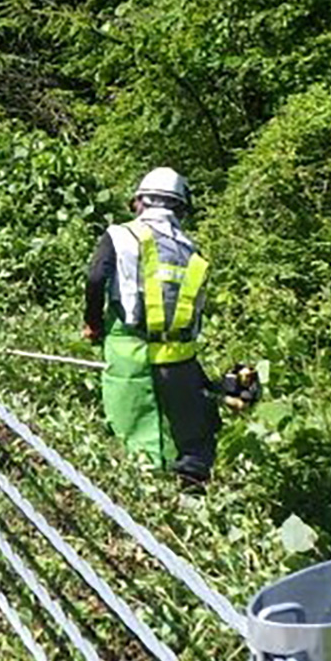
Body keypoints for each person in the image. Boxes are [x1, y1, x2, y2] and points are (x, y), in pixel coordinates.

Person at [82, 167, 219, 487]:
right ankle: (190, 501)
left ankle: (143, 501)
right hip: (179, 358)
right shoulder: (193, 251)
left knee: (134, 431)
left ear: (140, 203)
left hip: (130, 347)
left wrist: (93, 323)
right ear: (180, 209)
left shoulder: (120, 235)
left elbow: (95, 278)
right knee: (193, 444)